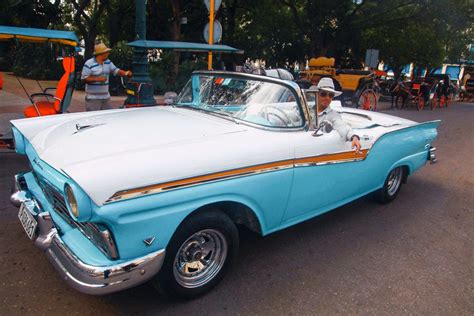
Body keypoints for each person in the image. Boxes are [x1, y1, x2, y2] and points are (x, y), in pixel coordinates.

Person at [81, 43, 132, 111]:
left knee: (108, 117)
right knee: (94, 119)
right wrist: (97, 79)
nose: (108, 53)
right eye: (106, 52)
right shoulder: (89, 63)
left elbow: (115, 70)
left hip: (106, 97)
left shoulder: (108, 62)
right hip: (93, 98)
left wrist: (125, 73)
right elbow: (84, 79)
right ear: (102, 53)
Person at [315, 77, 361, 152]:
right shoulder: (307, 109)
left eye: (331, 95)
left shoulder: (333, 115)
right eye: (323, 94)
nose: (327, 98)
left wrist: (354, 137)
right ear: (317, 94)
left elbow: (342, 126)